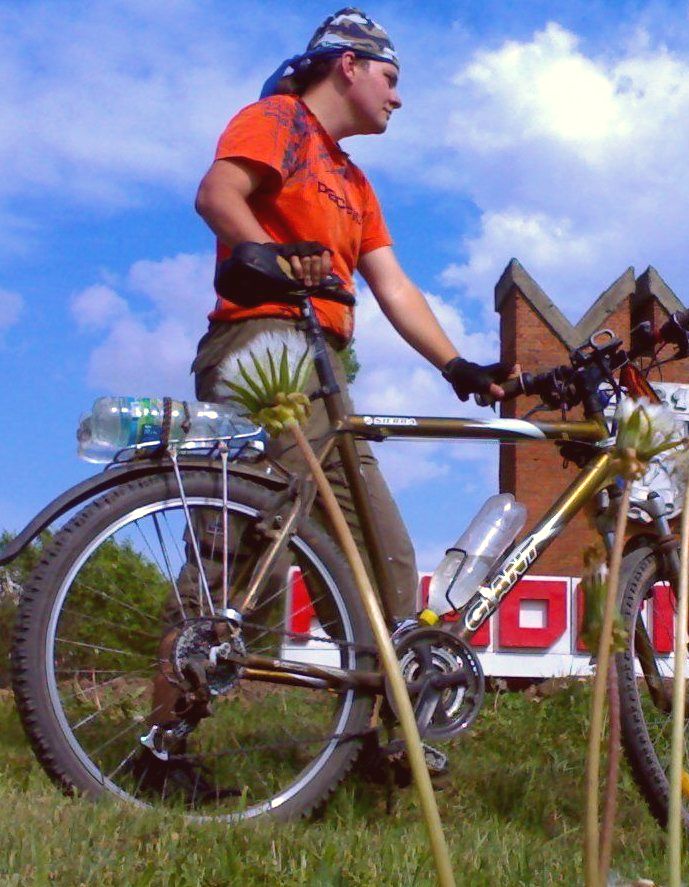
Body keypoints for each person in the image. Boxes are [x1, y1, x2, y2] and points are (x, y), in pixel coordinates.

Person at [134, 7, 510, 803]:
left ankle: (380, 738)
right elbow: (219, 192)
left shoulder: (355, 181)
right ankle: (160, 747)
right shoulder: (279, 121)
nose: (398, 97)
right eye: (391, 78)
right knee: (238, 545)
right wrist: (266, 255)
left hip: (326, 366)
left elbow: (392, 284)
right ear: (348, 65)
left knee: (385, 555)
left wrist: (455, 364)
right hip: (262, 345)